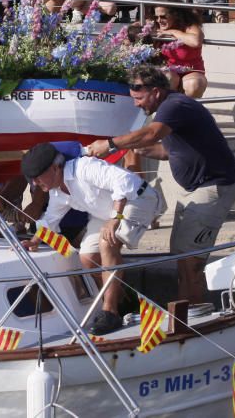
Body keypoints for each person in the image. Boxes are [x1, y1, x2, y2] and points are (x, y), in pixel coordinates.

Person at [86, 65, 235, 303]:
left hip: (211, 188)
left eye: (138, 98)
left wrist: (111, 144)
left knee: (192, 263)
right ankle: (184, 313)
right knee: (182, 256)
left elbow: (152, 134)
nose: (136, 104)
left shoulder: (174, 106)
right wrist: (132, 147)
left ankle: (194, 315)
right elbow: (167, 150)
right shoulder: (170, 110)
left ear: (156, 92)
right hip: (195, 190)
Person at [20, 141, 163, 336]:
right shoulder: (57, 192)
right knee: (87, 259)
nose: (35, 183)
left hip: (137, 200)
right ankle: (124, 302)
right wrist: (34, 242)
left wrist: (116, 218)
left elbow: (125, 181)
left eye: (37, 178)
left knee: (107, 243)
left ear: (55, 168)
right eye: (32, 180)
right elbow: (51, 220)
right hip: (106, 213)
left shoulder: (84, 167)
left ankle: (110, 312)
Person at [154, 0, 208, 98]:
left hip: (192, 71)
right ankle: (168, 110)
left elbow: (196, 41)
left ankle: (187, 110)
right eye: (156, 17)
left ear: (175, 15)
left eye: (163, 16)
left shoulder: (188, 25)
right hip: (169, 71)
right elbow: (134, 30)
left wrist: (173, 32)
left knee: (194, 85)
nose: (159, 20)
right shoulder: (155, 25)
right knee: (168, 78)